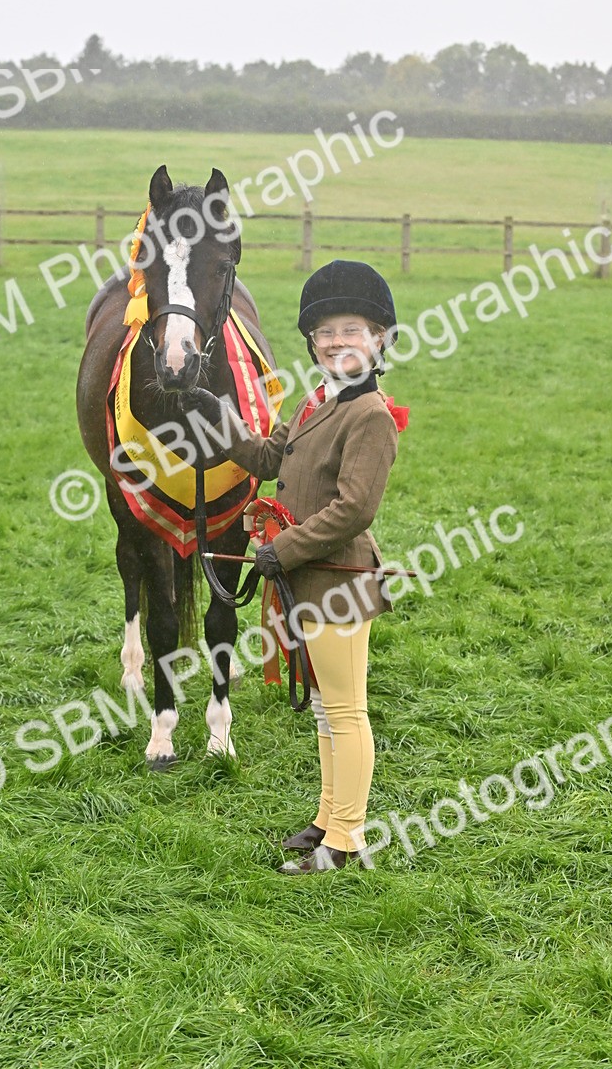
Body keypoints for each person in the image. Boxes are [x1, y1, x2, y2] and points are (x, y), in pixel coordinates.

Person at [186, 260, 406, 874]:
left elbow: (353, 510)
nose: (336, 342)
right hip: (304, 581)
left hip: (339, 582)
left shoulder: (371, 416)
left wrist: (279, 550)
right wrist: (217, 416)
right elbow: (267, 457)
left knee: (346, 711)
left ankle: (347, 839)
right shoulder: (317, 400)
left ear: (379, 338)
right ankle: (327, 818)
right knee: (324, 710)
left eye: (351, 330)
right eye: (325, 332)